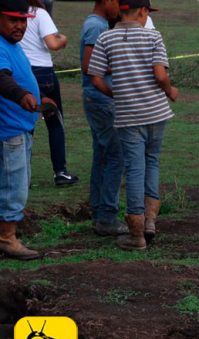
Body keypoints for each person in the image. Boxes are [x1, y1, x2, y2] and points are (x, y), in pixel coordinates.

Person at [88, 0, 178, 250]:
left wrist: (117, 94)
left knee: (135, 168)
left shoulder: (106, 39)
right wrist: (170, 91)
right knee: (152, 161)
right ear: (141, 11)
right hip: (157, 113)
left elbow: (95, 79)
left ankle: (136, 234)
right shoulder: (153, 37)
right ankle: (149, 222)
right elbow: (160, 75)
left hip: (129, 116)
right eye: (148, 11)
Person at [0, 0, 52, 260]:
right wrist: (21, 95)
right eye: (13, 20)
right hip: (8, 131)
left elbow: (19, 75)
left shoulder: (12, 45)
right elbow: (2, 78)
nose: (20, 25)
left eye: (23, 20)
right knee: (13, 187)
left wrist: (39, 95)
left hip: (20, 127)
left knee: (16, 183)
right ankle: (7, 239)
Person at [19, 0, 79, 186]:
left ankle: (23, 174)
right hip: (43, 73)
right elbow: (52, 43)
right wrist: (64, 39)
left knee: (26, 124)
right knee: (54, 122)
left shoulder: (14, 15)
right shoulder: (39, 14)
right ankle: (60, 172)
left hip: (22, 72)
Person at [80, 0, 126, 236]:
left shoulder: (96, 24)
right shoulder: (96, 27)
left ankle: (98, 211)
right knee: (116, 155)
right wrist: (121, 64)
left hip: (95, 98)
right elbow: (89, 66)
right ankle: (107, 215)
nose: (120, 9)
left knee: (102, 154)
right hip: (100, 98)